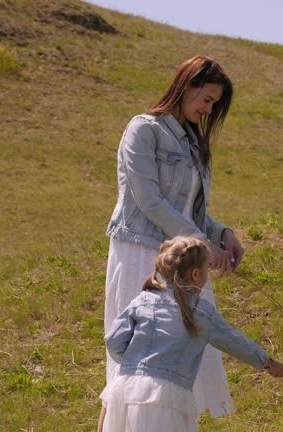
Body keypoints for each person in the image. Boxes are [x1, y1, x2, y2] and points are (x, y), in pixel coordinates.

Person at [100, 55, 245, 430]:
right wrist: (200, 240)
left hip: (183, 258)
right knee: (133, 356)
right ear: (186, 84)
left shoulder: (196, 145)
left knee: (184, 355)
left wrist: (221, 234)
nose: (206, 108)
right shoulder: (143, 129)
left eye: (213, 103)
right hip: (141, 251)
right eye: (205, 98)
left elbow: (191, 211)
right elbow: (149, 201)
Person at [99, 236, 283, 432]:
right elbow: (234, 341)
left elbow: (113, 341)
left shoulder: (143, 299)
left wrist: (132, 363)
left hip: (124, 393)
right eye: (207, 268)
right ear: (196, 274)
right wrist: (267, 362)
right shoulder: (201, 312)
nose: (208, 273)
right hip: (164, 400)